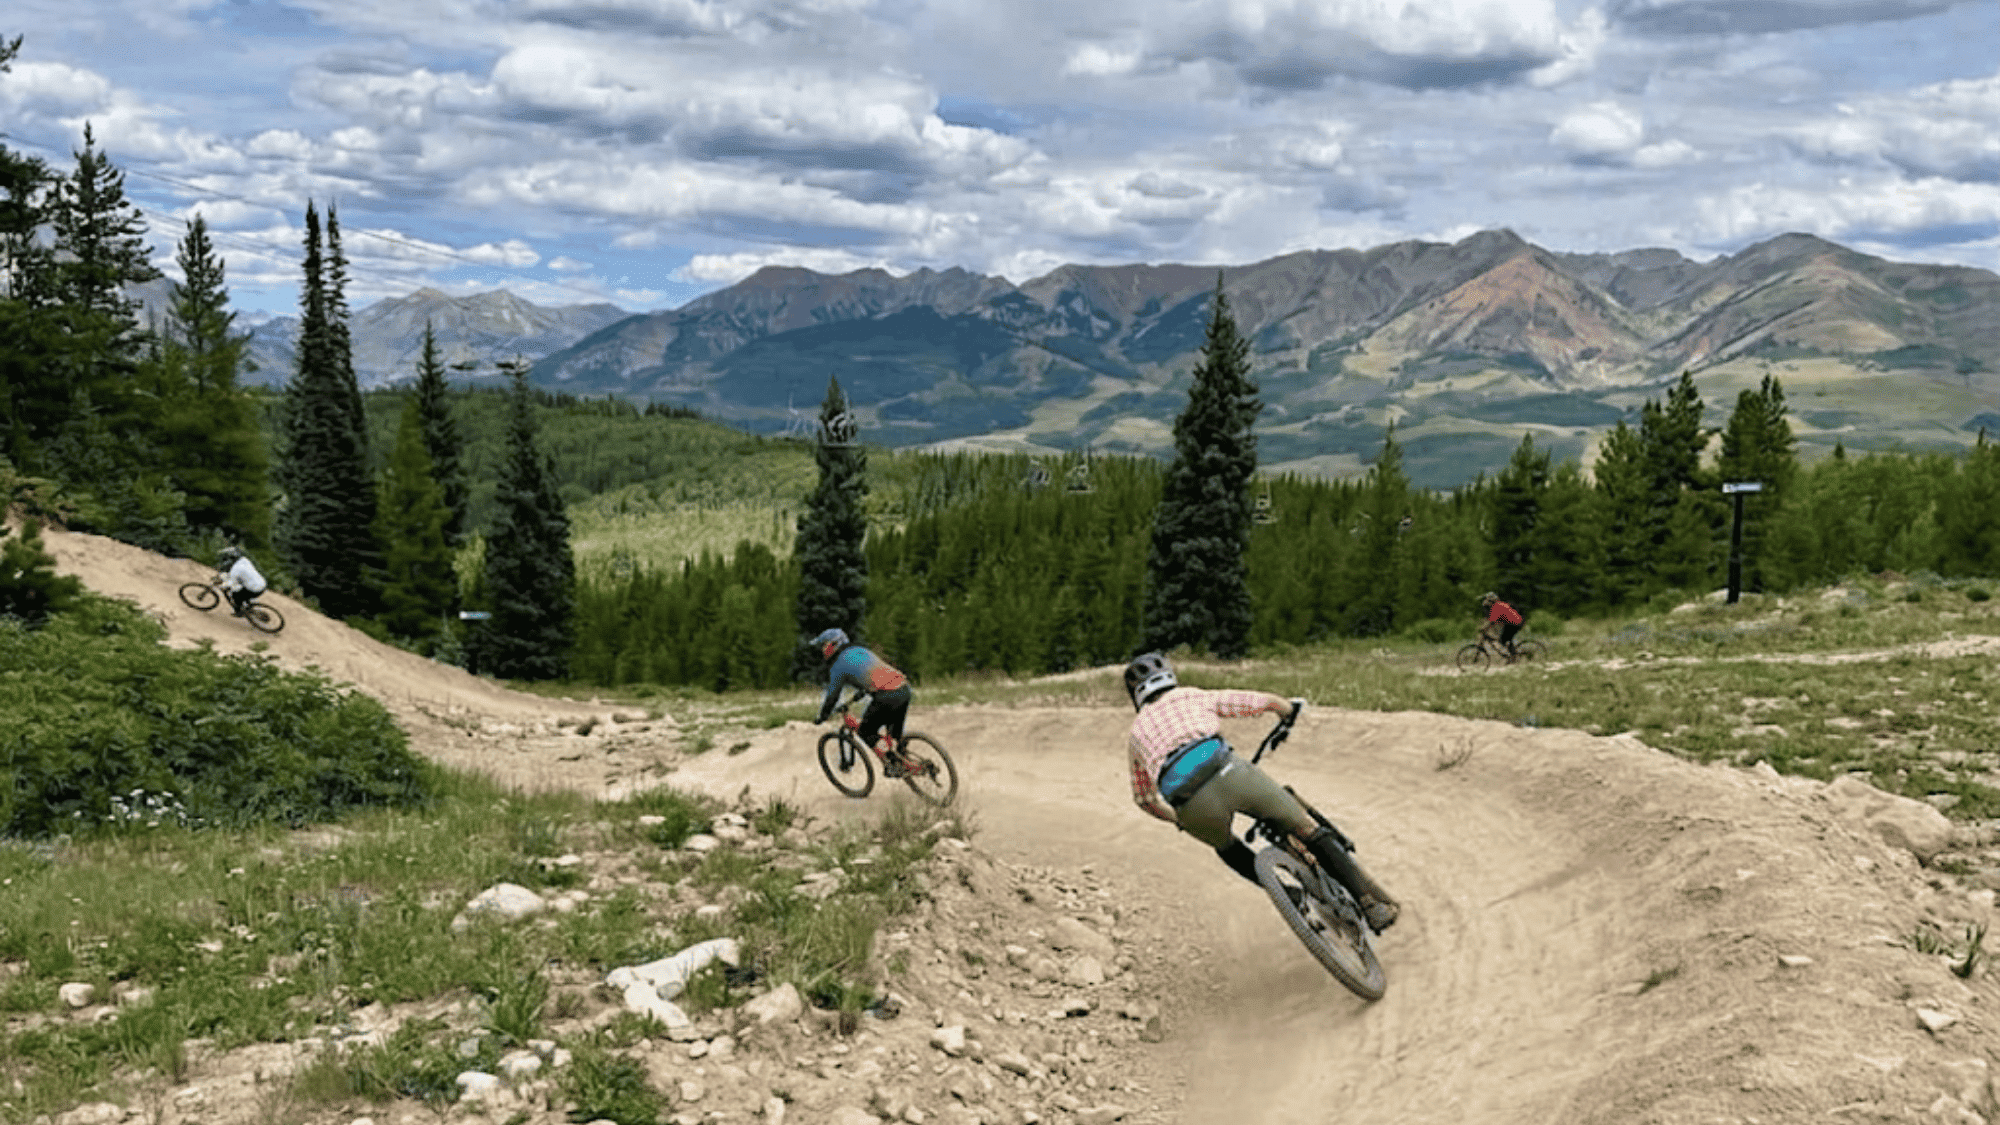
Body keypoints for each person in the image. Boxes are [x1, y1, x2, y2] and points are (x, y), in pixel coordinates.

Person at [1121, 652, 1399, 932]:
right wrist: (1286, 709)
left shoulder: (1136, 735)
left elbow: (1143, 799)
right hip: (1230, 773)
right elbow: (1251, 702)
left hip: (1190, 804)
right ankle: (1369, 904)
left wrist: (1177, 819)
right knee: (1307, 829)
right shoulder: (1189, 696)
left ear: (1136, 695)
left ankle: (1288, 895)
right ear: (1170, 677)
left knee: (1227, 847)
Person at [811, 628, 919, 776]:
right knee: (894, 737)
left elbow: (832, 697)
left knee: (865, 730)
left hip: (887, 695)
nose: (822, 650)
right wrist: (856, 697)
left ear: (833, 645)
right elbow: (871, 679)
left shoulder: (838, 666)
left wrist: (822, 716)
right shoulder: (860, 651)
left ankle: (894, 764)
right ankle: (906, 763)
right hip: (904, 688)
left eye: (823, 645)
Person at [216, 547, 267, 618]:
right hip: (262, 583)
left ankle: (239, 612)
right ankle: (247, 605)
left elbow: (232, 583)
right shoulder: (244, 560)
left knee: (235, 595)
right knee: (241, 590)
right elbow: (237, 575)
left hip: (255, 589)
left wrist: (222, 585)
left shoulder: (235, 571)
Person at [1479, 592, 1524, 661]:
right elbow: (1492, 621)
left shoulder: (1497, 607)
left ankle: (1513, 657)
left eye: (1489, 602)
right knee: (1504, 640)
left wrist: (1484, 628)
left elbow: (1492, 622)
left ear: (1492, 602)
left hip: (1514, 623)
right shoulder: (1497, 606)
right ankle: (1512, 656)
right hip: (1512, 623)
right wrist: (1485, 627)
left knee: (1504, 639)